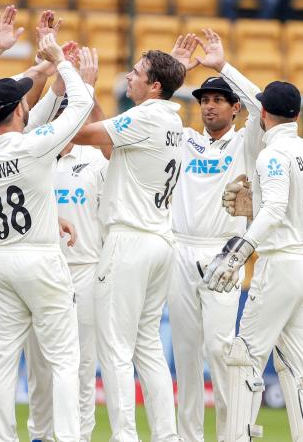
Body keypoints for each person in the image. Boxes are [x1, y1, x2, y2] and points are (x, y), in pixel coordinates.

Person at [0, 34, 92, 441]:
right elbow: (81, 107)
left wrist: (47, 78)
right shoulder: (33, 148)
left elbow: (32, 128)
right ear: (20, 108)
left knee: (4, 359)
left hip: (2, 260)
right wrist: (63, 63)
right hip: (40, 259)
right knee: (64, 359)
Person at [69, 49, 187, 442]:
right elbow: (110, 139)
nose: (128, 78)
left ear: (155, 85)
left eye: (136, 73)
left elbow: (81, 134)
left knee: (115, 349)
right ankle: (167, 437)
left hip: (129, 240)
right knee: (148, 347)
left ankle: (125, 437)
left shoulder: (145, 117)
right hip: (160, 242)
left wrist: (82, 86)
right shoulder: (173, 120)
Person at [202, 81, 303, 442]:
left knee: (244, 357)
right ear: (297, 115)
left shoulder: (272, 155)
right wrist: (255, 199)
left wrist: (238, 251)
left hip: (281, 265)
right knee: (296, 366)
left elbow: (274, 209)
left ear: (265, 115)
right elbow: (293, 206)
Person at [167, 29, 263, 442]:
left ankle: (231, 436)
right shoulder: (186, 140)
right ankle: (189, 437)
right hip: (181, 250)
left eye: (218, 100)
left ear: (233, 107)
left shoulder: (245, 142)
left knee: (221, 352)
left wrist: (222, 66)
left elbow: (263, 107)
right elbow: (149, 113)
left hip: (224, 252)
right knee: (186, 356)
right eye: (204, 100)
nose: (209, 106)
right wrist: (177, 73)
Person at [24, 48, 108, 442]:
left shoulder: (95, 160)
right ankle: (40, 434)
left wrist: (88, 90)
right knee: (39, 364)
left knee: (81, 363)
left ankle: (81, 435)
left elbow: (115, 146)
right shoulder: (32, 158)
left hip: (85, 270)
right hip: (42, 269)